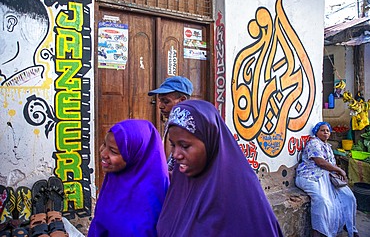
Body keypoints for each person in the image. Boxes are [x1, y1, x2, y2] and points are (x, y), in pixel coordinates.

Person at [156, 100, 283, 236]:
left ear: (210, 141)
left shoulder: (238, 195)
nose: (175, 154)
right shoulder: (180, 184)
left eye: (185, 146)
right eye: (173, 145)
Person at [88, 120, 170, 237]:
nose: (103, 153)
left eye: (113, 151)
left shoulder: (151, 198)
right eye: (104, 144)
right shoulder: (115, 179)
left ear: (136, 155)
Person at [295, 122, 359, 237]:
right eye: (322, 130)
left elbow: (331, 165)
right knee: (323, 202)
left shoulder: (328, 147)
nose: (325, 132)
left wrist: (336, 172)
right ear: (316, 132)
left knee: (349, 198)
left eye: (327, 131)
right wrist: (339, 170)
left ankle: (351, 228)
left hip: (326, 177)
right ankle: (318, 232)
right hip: (310, 176)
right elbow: (320, 162)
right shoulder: (314, 143)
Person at [148, 76, 193, 171]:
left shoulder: (188, 125)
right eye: (160, 101)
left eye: (166, 101)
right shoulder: (172, 121)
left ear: (182, 100)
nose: (160, 106)